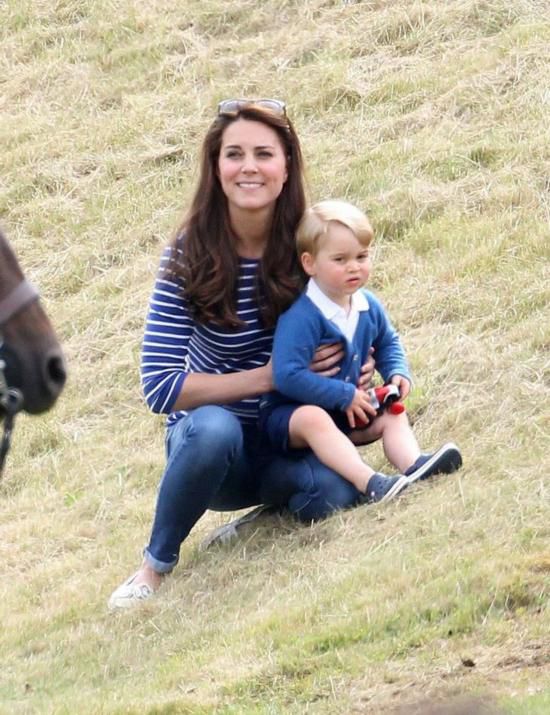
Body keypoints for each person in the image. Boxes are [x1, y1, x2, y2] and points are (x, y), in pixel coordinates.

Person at [108, 99, 377, 610]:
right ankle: (154, 566)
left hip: (290, 440)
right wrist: (273, 376)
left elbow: (354, 322)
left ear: (286, 167)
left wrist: (358, 364)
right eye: (234, 154)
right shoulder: (187, 253)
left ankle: (263, 516)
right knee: (213, 427)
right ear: (216, 168)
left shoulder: (311, 245)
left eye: (263, 154)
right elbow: (160, 387)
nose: (248, 167)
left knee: (336, 496)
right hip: (213, 456)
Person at [259, 199, 462, 503]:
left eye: (362, 256)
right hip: (291, 418)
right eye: (340, 259)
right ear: (309, 263)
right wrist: (341, 394)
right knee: (314, 418)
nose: (354, 266)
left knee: (391, 411)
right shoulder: (301, 316)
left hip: (346, 409)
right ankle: (371, 482)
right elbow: (286, 376)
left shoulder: (368, 304)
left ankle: (414, 464)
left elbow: (387, 341)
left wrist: (396, 372)